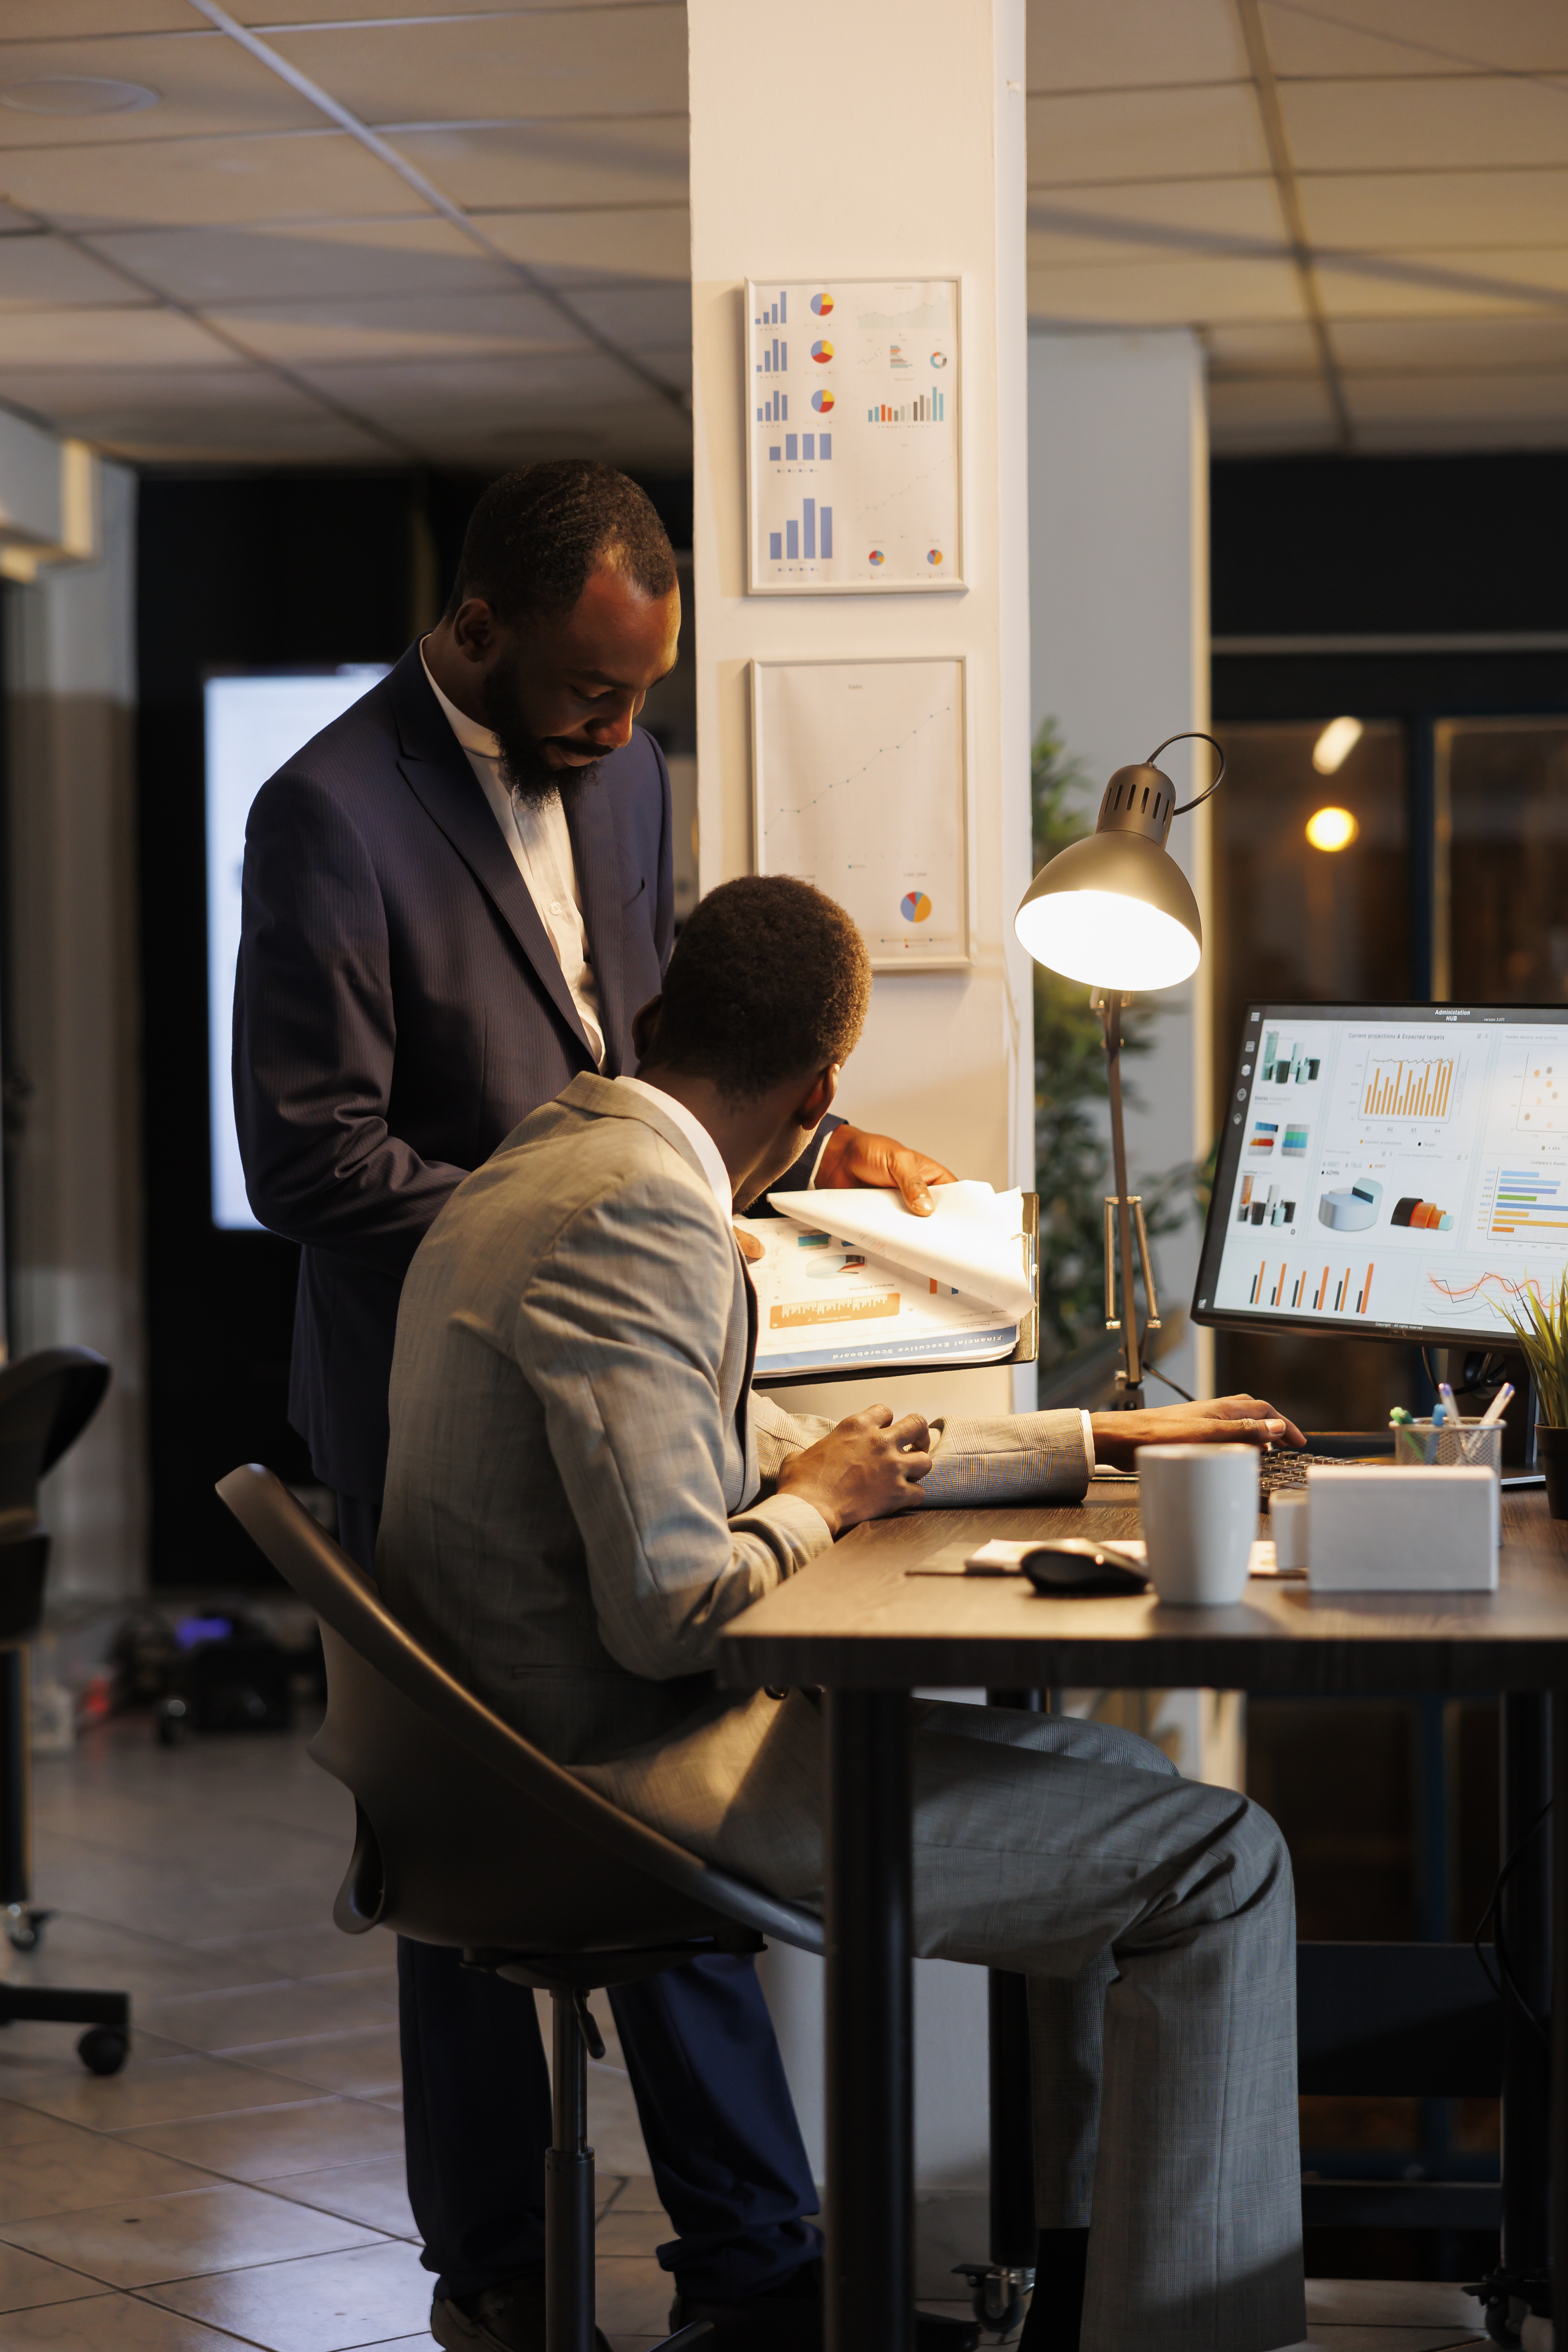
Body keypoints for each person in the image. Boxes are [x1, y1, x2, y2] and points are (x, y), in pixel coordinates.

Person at [232, 464, 970, 2352]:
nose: (623, 730)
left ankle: (751, 2256)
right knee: (479, 1815)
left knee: (665, 1716)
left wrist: (797, 1150)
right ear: (478, 628)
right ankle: (497, 2272)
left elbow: (652, 1071)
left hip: (635, 1359)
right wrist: (566, 1228)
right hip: (429, 1391)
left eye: (644, 692)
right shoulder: (325, 809)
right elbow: (308, 1156)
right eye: (591, 689)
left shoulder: (625, 778)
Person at [378, 874, 1309, 2352]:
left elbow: (765, 1452)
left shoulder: (549, 1159)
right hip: (602, 1777)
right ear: (822, 1089)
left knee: (1135, 1781)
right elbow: (679, 1613)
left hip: (504, 1754)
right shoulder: (638, 1211)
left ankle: (1081, 2299)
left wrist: (1094, 1439)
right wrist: (818, 1505)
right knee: (1225, 1859)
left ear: (655, 1014)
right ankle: (1176, 2337)